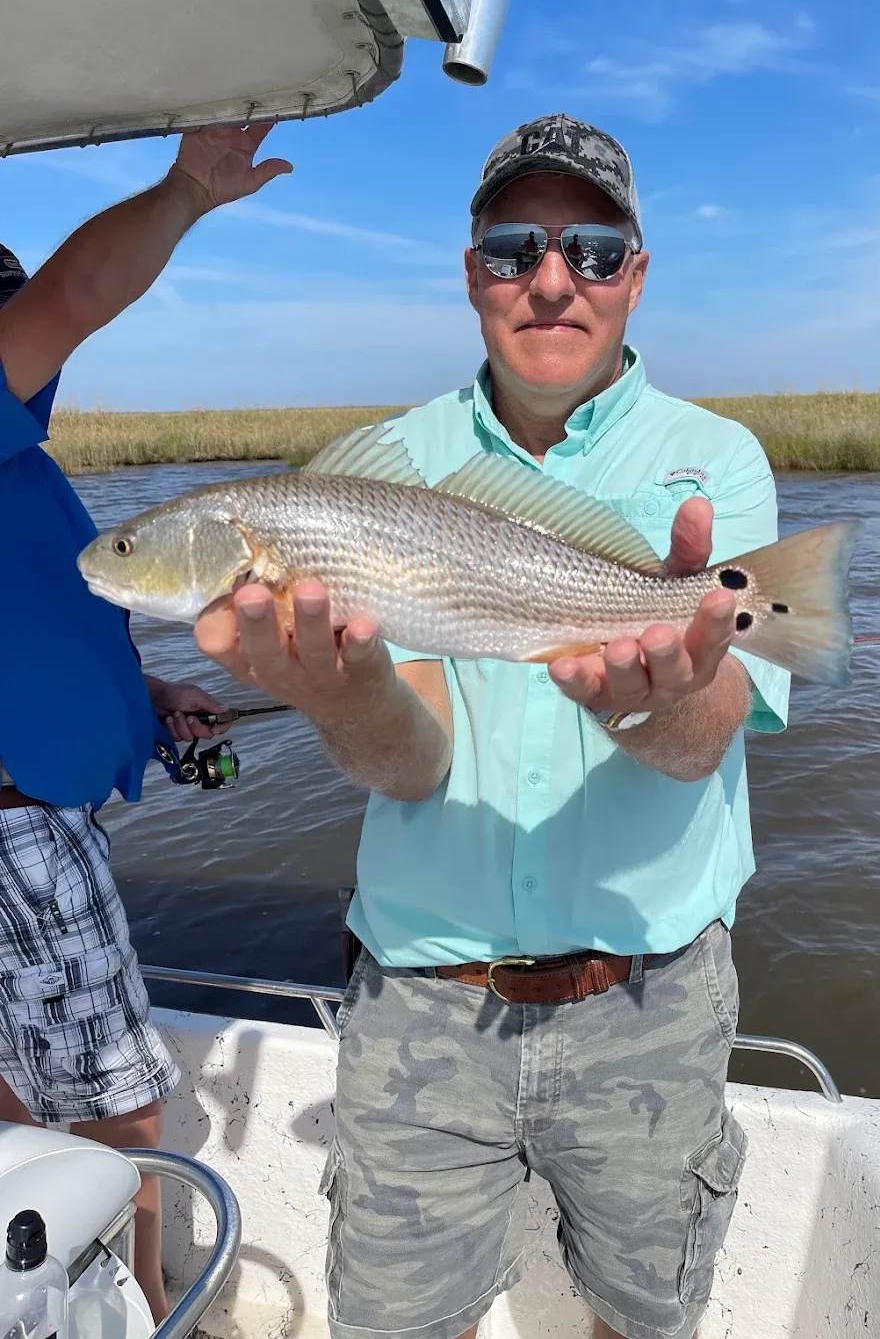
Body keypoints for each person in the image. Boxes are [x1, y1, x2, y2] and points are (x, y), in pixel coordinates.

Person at [195, 112, 791, 1339]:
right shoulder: (377, 472)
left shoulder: (715, 459)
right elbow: (409, 761)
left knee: (646, 1315)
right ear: (473, 271)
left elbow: (712, 730)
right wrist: (341, 690)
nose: (553, 279)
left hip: (653, 999)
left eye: (593, 248)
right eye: (516, 247)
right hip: (422, 1003)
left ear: (636, 270)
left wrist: (657, 685)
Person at [0, 123, 292, 1321]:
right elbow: (80, 288)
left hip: (29, 808)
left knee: (15, 1091)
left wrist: (153, 696)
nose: (39, 347)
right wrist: (186, 189)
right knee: (123, 1108)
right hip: (24, 833)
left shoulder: (20, 470)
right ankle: (151, 1299)